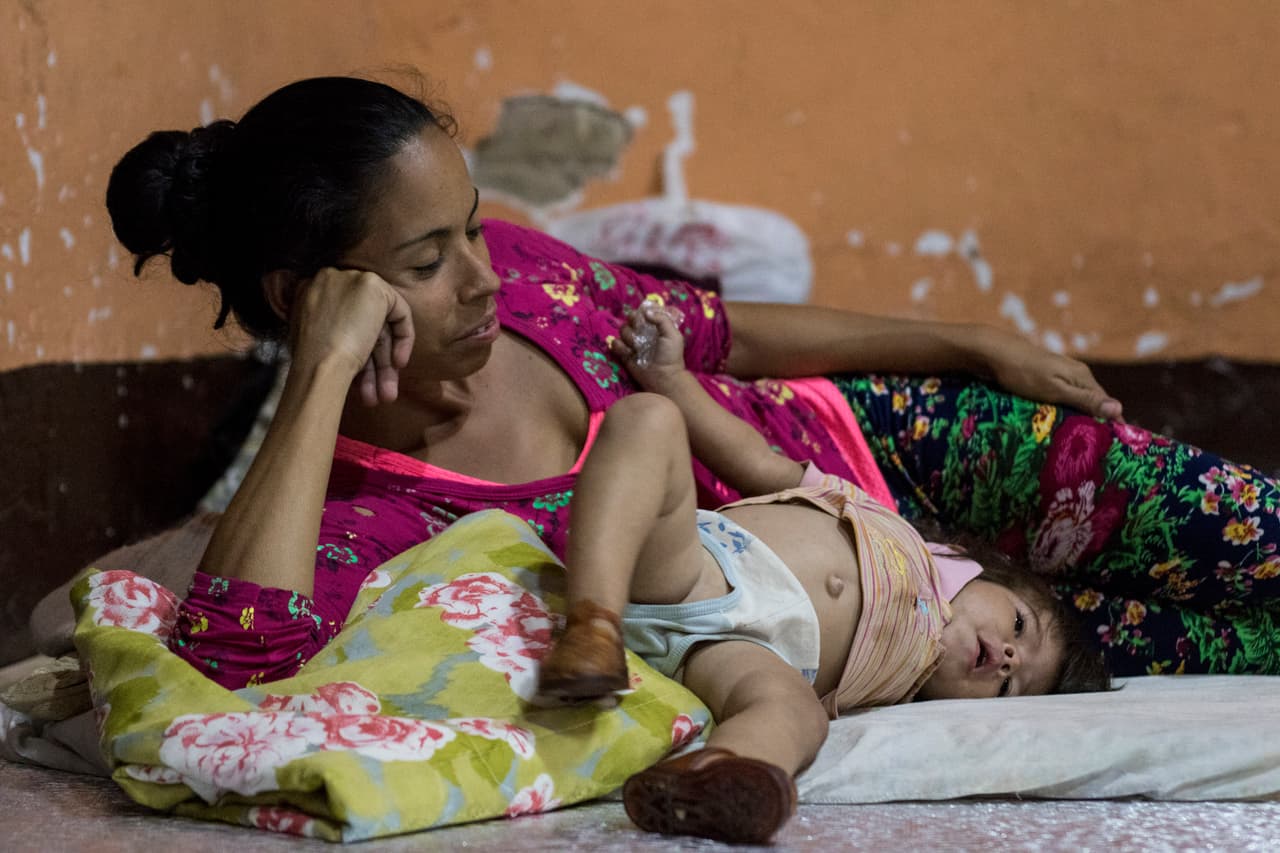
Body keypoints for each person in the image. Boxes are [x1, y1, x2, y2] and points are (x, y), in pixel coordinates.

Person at [104, 75, 1280, 691]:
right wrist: (318, 373)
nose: (480, 281)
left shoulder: (521, 274)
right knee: (1224, 650)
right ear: (309, 292)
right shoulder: (389, 509)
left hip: (893, 446)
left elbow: (729, 339)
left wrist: (965, 343)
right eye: (426, 261)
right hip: (896, 629)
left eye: (469, 229)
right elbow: (235, 651)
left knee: (1256, 539)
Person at [536, 305, 1109, 843]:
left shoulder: (905, 688)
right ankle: (594, 624)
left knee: (797, 716)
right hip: (690, 566)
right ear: (979, 570)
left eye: (1010, 685)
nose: (1008, 658)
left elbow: (808, 704)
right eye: (1019, 625)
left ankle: (713, 776)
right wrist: (672, 380)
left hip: (733, 653)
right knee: (646, 418)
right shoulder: (884, 524)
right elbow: (754, 460)